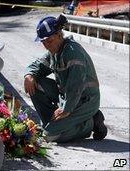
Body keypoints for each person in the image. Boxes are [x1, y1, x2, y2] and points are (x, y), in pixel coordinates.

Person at [24, 14, 107, 143]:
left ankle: (91, 122)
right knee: (34, 83)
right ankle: (53, 124)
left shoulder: (73, 53)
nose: (47, 46)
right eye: (43, 43)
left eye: (49, 41)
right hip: (66, 96)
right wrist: (29, 75)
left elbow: (75, 88)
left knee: (50, 136)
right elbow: (38, 66)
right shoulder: (55, 51)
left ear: (59, 35)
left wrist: (66, 109)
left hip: (84, 101)